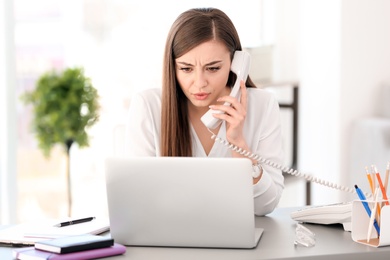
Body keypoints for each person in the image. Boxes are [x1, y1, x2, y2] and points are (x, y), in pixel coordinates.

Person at [126, 7, 284, 216]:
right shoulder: (148, 106)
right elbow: (138, 201)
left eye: (213, 68)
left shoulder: (263, 105)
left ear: (236, 63)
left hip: (237, 242)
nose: (199, 83)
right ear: (172, 67)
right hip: (171, 241)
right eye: (186, 68)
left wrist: (239, 145)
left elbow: (265, 206)